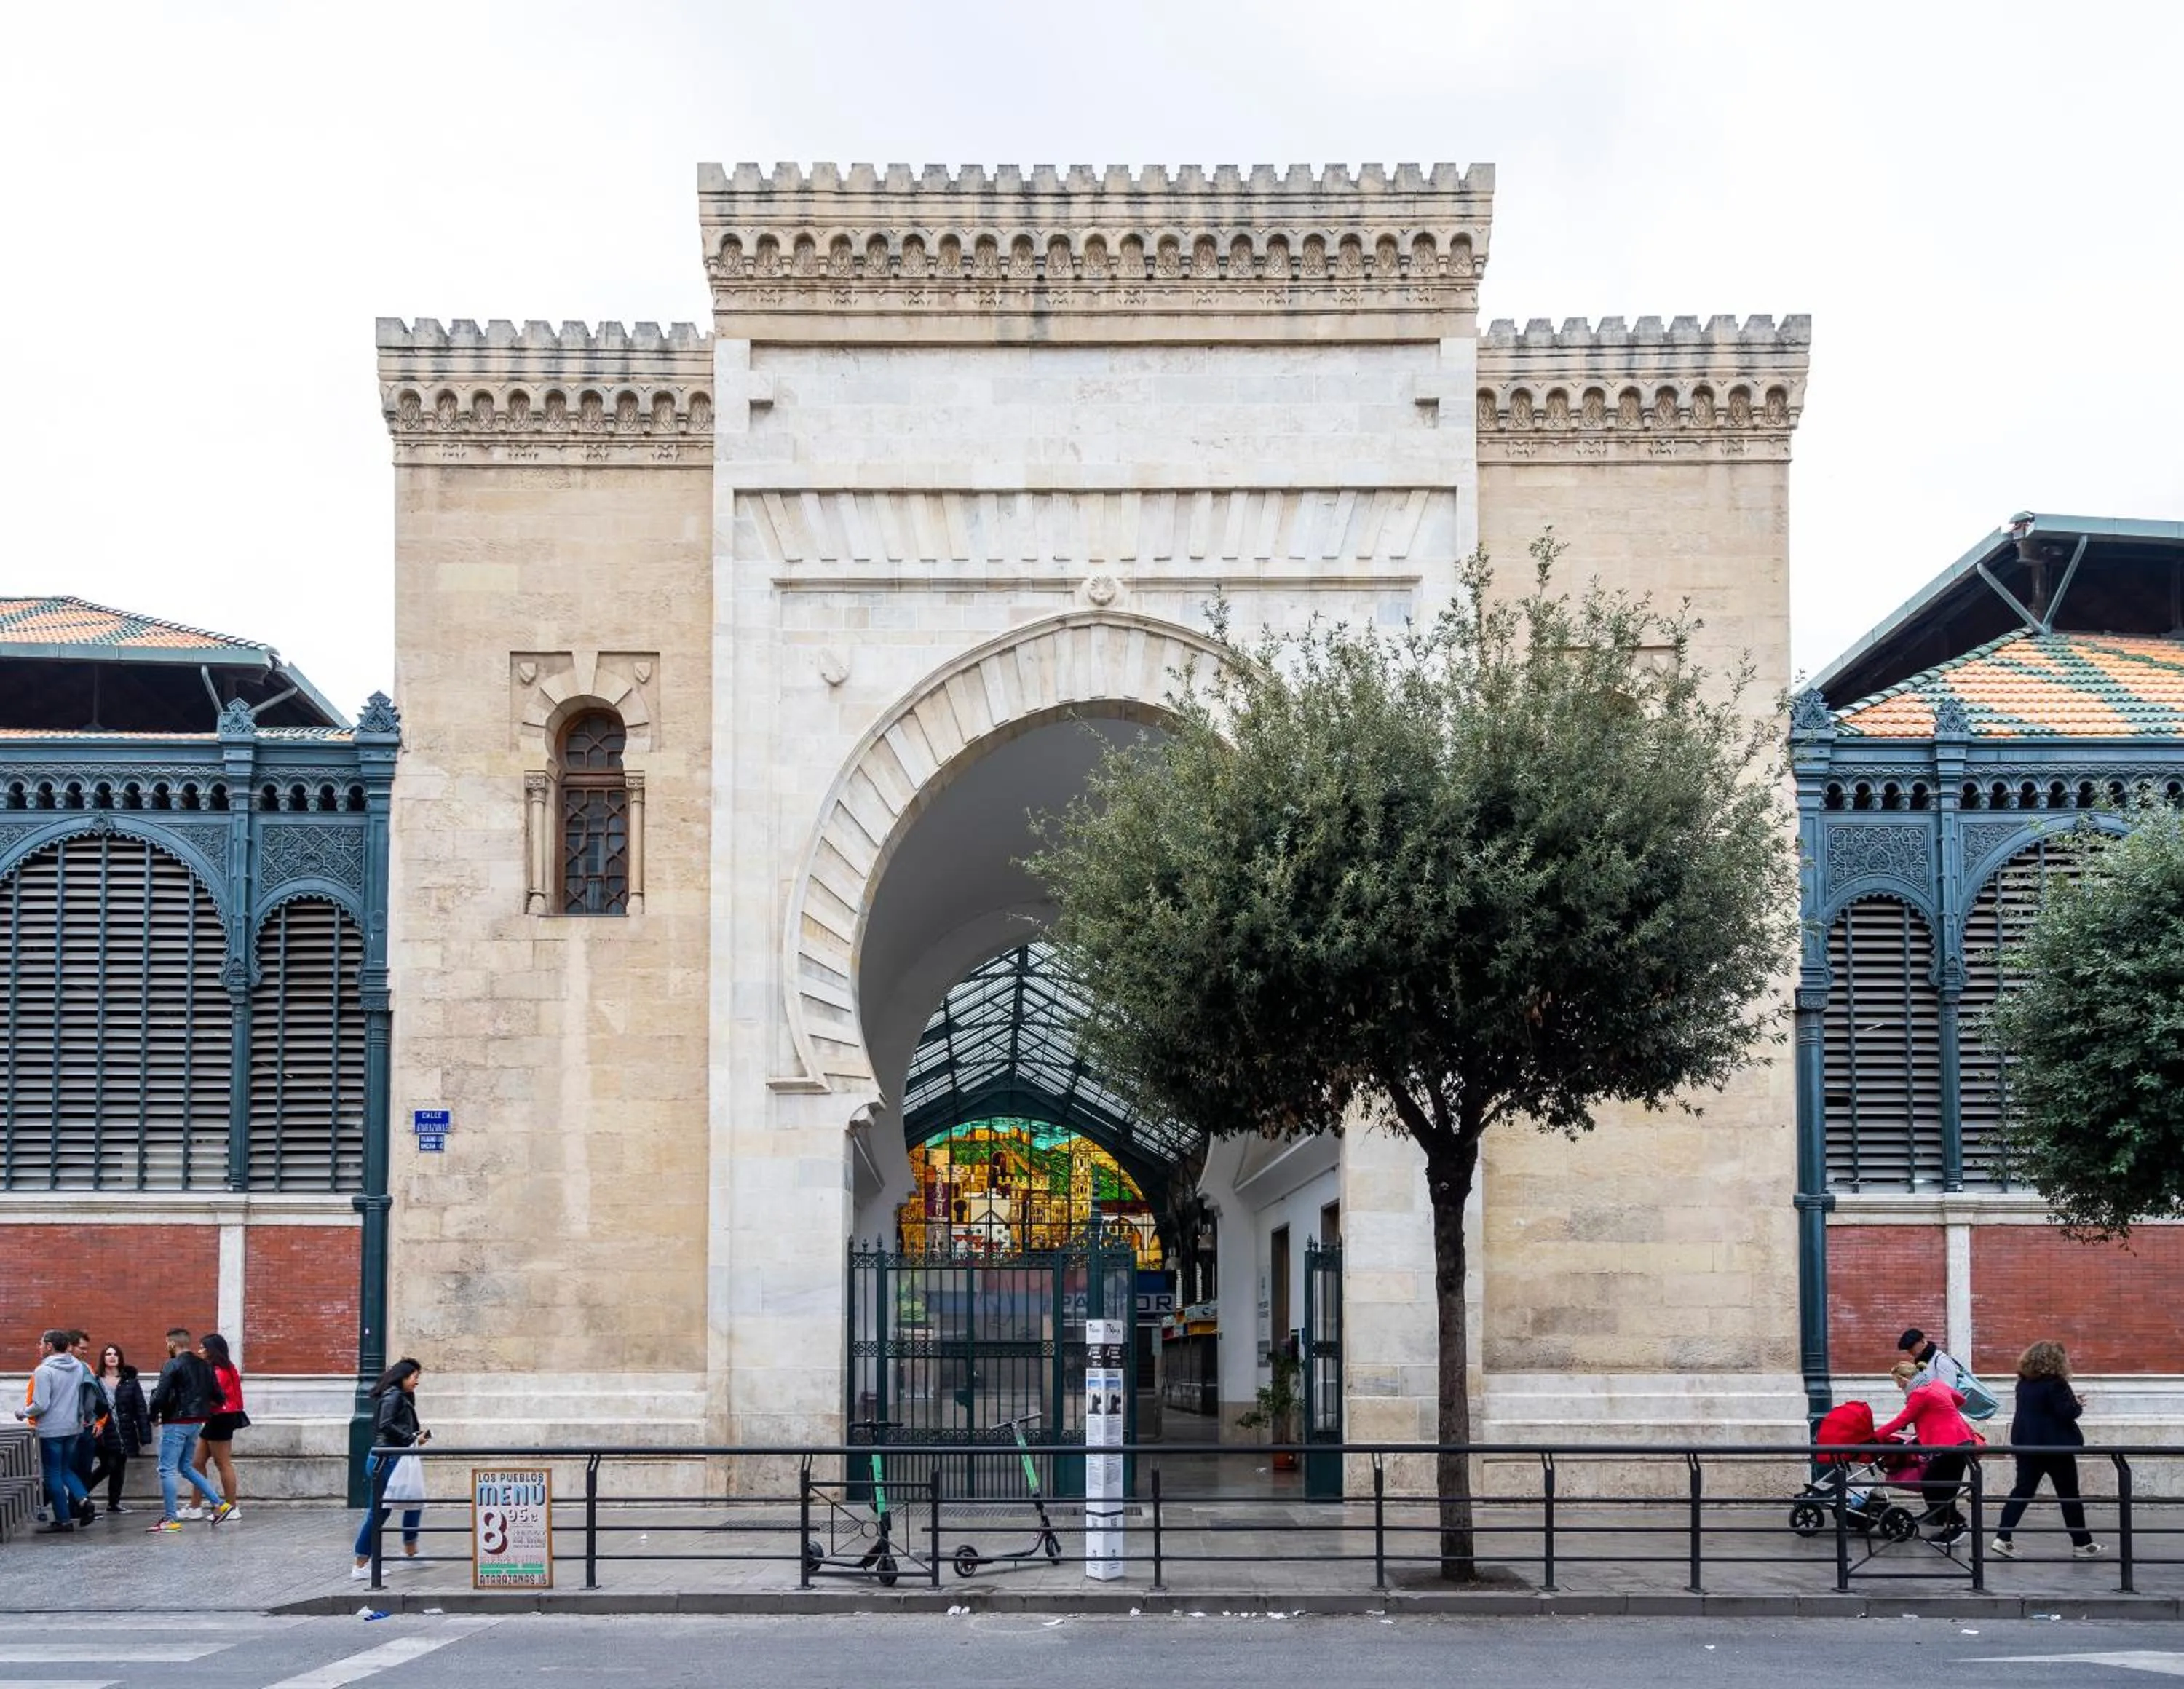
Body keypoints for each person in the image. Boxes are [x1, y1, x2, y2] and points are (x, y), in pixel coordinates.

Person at [1993, 1340, 2102, 1560]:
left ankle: (2002, 1537)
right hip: (2055, 1447)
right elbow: (2066, 1413)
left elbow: (2039, 1410)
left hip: (2027, 1445)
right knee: (2069, 1495)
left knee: (2022, 1491)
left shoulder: (2023, 1383)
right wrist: (2076, 1404)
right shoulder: (2056, 1383)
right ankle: (2082, 1544)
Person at [1877, 1358, 1981, 1545]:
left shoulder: (1920, 1394)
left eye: (1899, 1383)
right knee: (1944, 1487)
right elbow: (1960, 1399)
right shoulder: (1936, 1384)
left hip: (1948, 1445)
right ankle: (1951, 1527)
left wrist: (1875, 1437)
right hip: (1962, 1441)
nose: (1899, 1388)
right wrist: (1939, 1413)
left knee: (1931, 1485)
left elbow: (1901, 1421)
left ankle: (1956, 1525)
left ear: (1906, 1379)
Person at [351, 1358, 432, 1579]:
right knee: (379, 1512)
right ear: (404, 1377)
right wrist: (409, 1438)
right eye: (415, 1377)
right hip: (386, 1460)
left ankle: (410, 1551)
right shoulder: (393, 1395)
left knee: (414, 1500)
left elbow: (395, 1426)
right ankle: (360, 1565)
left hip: (393, 1457)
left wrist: (414, 1437)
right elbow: (384, 1425)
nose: (417, 1382)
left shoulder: (400, 1396)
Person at [144, 1327, 224, 1532]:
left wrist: (153, 1416)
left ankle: (170, 1520)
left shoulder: (172, 1364)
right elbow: (219, 1396)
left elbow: (160, 1395)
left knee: (167, 1469)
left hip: (176, 1421)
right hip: (197, 1422)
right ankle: (219, 1504)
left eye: (167, 1344)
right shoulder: (205, 1365)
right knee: (186, 1467)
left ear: (171, 1344)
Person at [15, 1330, 94, 1532]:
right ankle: (84, 1500)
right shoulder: (78, 1366)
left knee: (52, 1475)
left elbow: (41, 1404)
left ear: (50, 1346)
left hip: (51, 1429)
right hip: (73, 1427)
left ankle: (63, 1520)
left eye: (41, 1344)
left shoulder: (44, 1371)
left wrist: (23, 1413)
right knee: (65, 1469)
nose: (39, 1347)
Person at [87, 1344, 151, 1515]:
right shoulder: (95, 1381)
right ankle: (80, 1496)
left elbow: (140, 1408)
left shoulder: (130, 1381)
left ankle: (114, 1503)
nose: (112, 1357)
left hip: (125, 1431)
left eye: (115, 1354)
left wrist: (145, 1434)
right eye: (108, 1354)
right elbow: (89, 1407)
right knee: (108, 1465)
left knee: (120, 1466)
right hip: (103, 1431)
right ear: (103, 1358)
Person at [192, 1332, 247, 1524]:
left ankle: (232, 1507)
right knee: (197, 1462)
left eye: (202, 1347)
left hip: (221, 1417)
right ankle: (195, 1506)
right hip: (216, 1418)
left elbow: (212, 1396)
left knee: (222, 1463)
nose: (199, 1351)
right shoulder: (221, 1368)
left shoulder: (217, 1372)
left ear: (211, 1350)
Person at [1899, 1327, 1971, 1393]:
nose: (1910, 1351)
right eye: (1908, 1349)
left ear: (1923, 1341)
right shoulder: (1922, 1363)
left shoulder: (1940, 1360)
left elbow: (1949, 1391)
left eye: (1911, 1347)